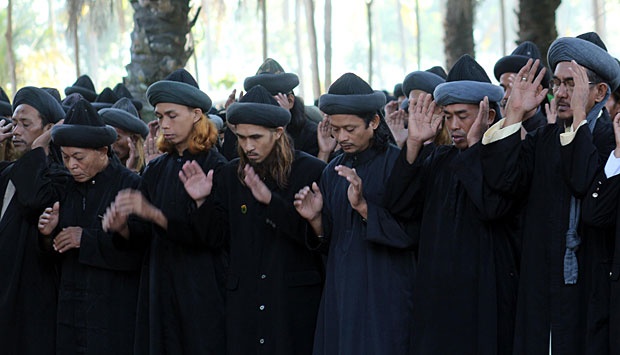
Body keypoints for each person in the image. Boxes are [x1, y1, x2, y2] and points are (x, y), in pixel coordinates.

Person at [481, 35, 619, 354]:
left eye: (572, 83)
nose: (561, 93)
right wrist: (514, 114)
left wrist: (580, 124)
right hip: (540, 286)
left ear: (600, 92)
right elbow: (502, 181)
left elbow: (585, 184)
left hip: (590, 287)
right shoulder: (544, 139)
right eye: (556, 83)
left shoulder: (610, 142)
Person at [385, 54, 520, 355]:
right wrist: (414, 145)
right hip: (437, 299)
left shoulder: (506, 156)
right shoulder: (439, 158)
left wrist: (474, 149)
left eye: (463, 115)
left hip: (484, 297)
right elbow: (399, 205)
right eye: (448, 116)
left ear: (489, 113)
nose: (455, 125)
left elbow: (491, 207)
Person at [178, 85, 326, 354]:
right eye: (242, 137)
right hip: (244, 304)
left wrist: (271, 203)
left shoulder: (311, 171)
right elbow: (215, 239)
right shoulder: (229, 176)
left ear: (278, 133)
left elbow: (319, 241)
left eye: (256, 137)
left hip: (292, 305)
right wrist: (201, 203)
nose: (248, 146)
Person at [102, 71, 227, 354]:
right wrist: (123, 227)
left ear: (196, 114)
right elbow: (142, 237)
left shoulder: (218, 167)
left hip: (200, 294)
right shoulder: (157, 169)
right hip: (159, 293)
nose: (164, 125)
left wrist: (154, 213)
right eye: (159, 117)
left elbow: (213, 236)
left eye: (172, 115)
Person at [294, 72, 415, 354]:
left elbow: (410, 233)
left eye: (350, 128)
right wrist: (315, 220)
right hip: (342, 291)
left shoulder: (399, 166)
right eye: (335, 129)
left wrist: (363, 207)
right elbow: (331, 241)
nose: (341, 137)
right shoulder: (332, 170)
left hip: (385, 291)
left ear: (373, 122)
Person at [37, 99, 143, 355]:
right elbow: (51, 256)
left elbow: (139, 252)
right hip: (71, 314)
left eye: (78, 157)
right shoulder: (65, 187)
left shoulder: (129, 185)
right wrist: (47, 233)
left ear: (102, 151)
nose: (72, 165)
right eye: (65, 157)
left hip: (114, 314)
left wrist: (87, 239)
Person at [0, 86, 68, 355]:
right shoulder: (11, 171)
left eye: (25, 124)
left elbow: (33, 200)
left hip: (32, 301)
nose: (16, 131)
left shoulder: (59, 175)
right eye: (14, 123)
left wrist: (39, 149)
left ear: (48, 128)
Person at [243, 58, 319, 156]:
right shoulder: (247, 131)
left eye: (271, 102)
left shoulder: (309, 134)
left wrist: (283, 124)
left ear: (290, 101)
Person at [493, 41, 550, 132]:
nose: (506, 96)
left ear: (538, 91)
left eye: (515, 89)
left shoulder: (548, 131)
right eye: (503, 89)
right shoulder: (492, 128)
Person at [99, 98, 149, 173]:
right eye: (108, 138)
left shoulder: (148, 169)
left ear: (134, 139)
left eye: (117, 138)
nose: (111, 145)